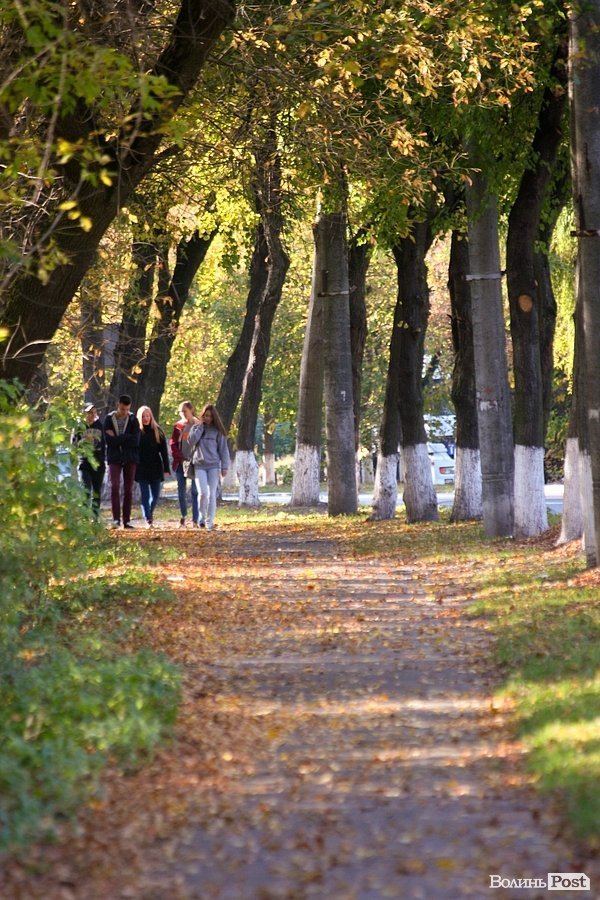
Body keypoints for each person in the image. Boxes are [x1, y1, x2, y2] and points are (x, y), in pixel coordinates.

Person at [189, 403, 230, 532]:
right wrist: (200, 428)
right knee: (203, 493)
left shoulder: (218, 431)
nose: (207, 418)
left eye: (210, 416)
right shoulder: (196, 428)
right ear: (202, 415)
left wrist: (225, 466)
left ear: (214, 418)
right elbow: (191, 441)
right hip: (199, 465)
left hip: (213, 466)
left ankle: (209, 522)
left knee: (212, 494)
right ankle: (201, 518)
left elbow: (224, 450)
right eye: (205, 416)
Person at [103, 394, 140, 529]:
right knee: (115, 486)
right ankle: (116, 519)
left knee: (128, 489)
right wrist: (126, 437)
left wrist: (119, 437)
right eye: (122, 409)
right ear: (118, 405)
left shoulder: (133, 419)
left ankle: (127, 520)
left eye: (127, 409)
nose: (124, 412)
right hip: (114, 457)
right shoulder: (108, 419)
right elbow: (109, 440)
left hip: (130, 457)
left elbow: (135, 440)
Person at [135, 405, 170, 528]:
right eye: (143, 416)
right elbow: (134, 450)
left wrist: (167, 468)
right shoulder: (137, 432)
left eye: (147, 416)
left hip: (155, 467)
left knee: (155, 496)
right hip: (141, 468)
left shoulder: (158, 431)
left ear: (151, 416)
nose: (145, 418)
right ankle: (148, 519)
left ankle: (149, 512)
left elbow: (164, 452)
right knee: (145, 495)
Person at [72, 402, 106, 519]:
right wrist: (82, 441)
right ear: (84, 414)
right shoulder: (79, 427)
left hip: (98, 464)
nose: (91, 415)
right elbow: (73, 445)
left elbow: (104, 444)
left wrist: (102, 461)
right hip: (84, 463)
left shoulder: (99, 426)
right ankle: (85, 518)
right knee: (86, 491)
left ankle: (95, 518)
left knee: (96, 493)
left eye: (93, 412)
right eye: (88, 413)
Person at [170, 401, 200, 528]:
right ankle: (183, 516)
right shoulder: (178, 426)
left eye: (185, 411)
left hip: (195, 462)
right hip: (181, 462)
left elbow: (201, 443)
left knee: (195, 491)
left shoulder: (198, 425)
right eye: (181, 412)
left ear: (191, 410)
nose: (183, 414)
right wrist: (180, 457)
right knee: (181, 490)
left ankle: (195, 519)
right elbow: (173, 444)